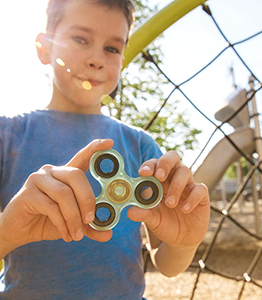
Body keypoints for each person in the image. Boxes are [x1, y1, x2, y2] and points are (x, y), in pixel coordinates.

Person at [0, 0, 210, 299]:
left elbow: (166, 264)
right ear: (44, 47)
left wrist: (186, 242)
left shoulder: (141, 146)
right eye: (81, 39)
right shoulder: (8, 137)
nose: (97, 59)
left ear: (122, 60)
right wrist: (7, 230)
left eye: (112, 48)